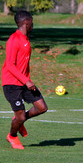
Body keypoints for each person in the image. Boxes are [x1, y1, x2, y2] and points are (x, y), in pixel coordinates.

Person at [1, 11, 48, 149]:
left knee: (42, 107)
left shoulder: (25, 39)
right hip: (11, 84)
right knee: (20, 117)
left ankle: (19, 122)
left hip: (24, 82)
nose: (33, 25)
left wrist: (26, 80)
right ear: (26, 23)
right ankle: (12, 136)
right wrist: (25, 80)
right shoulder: (14, 39)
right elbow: (9, 65)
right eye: (32, 22)